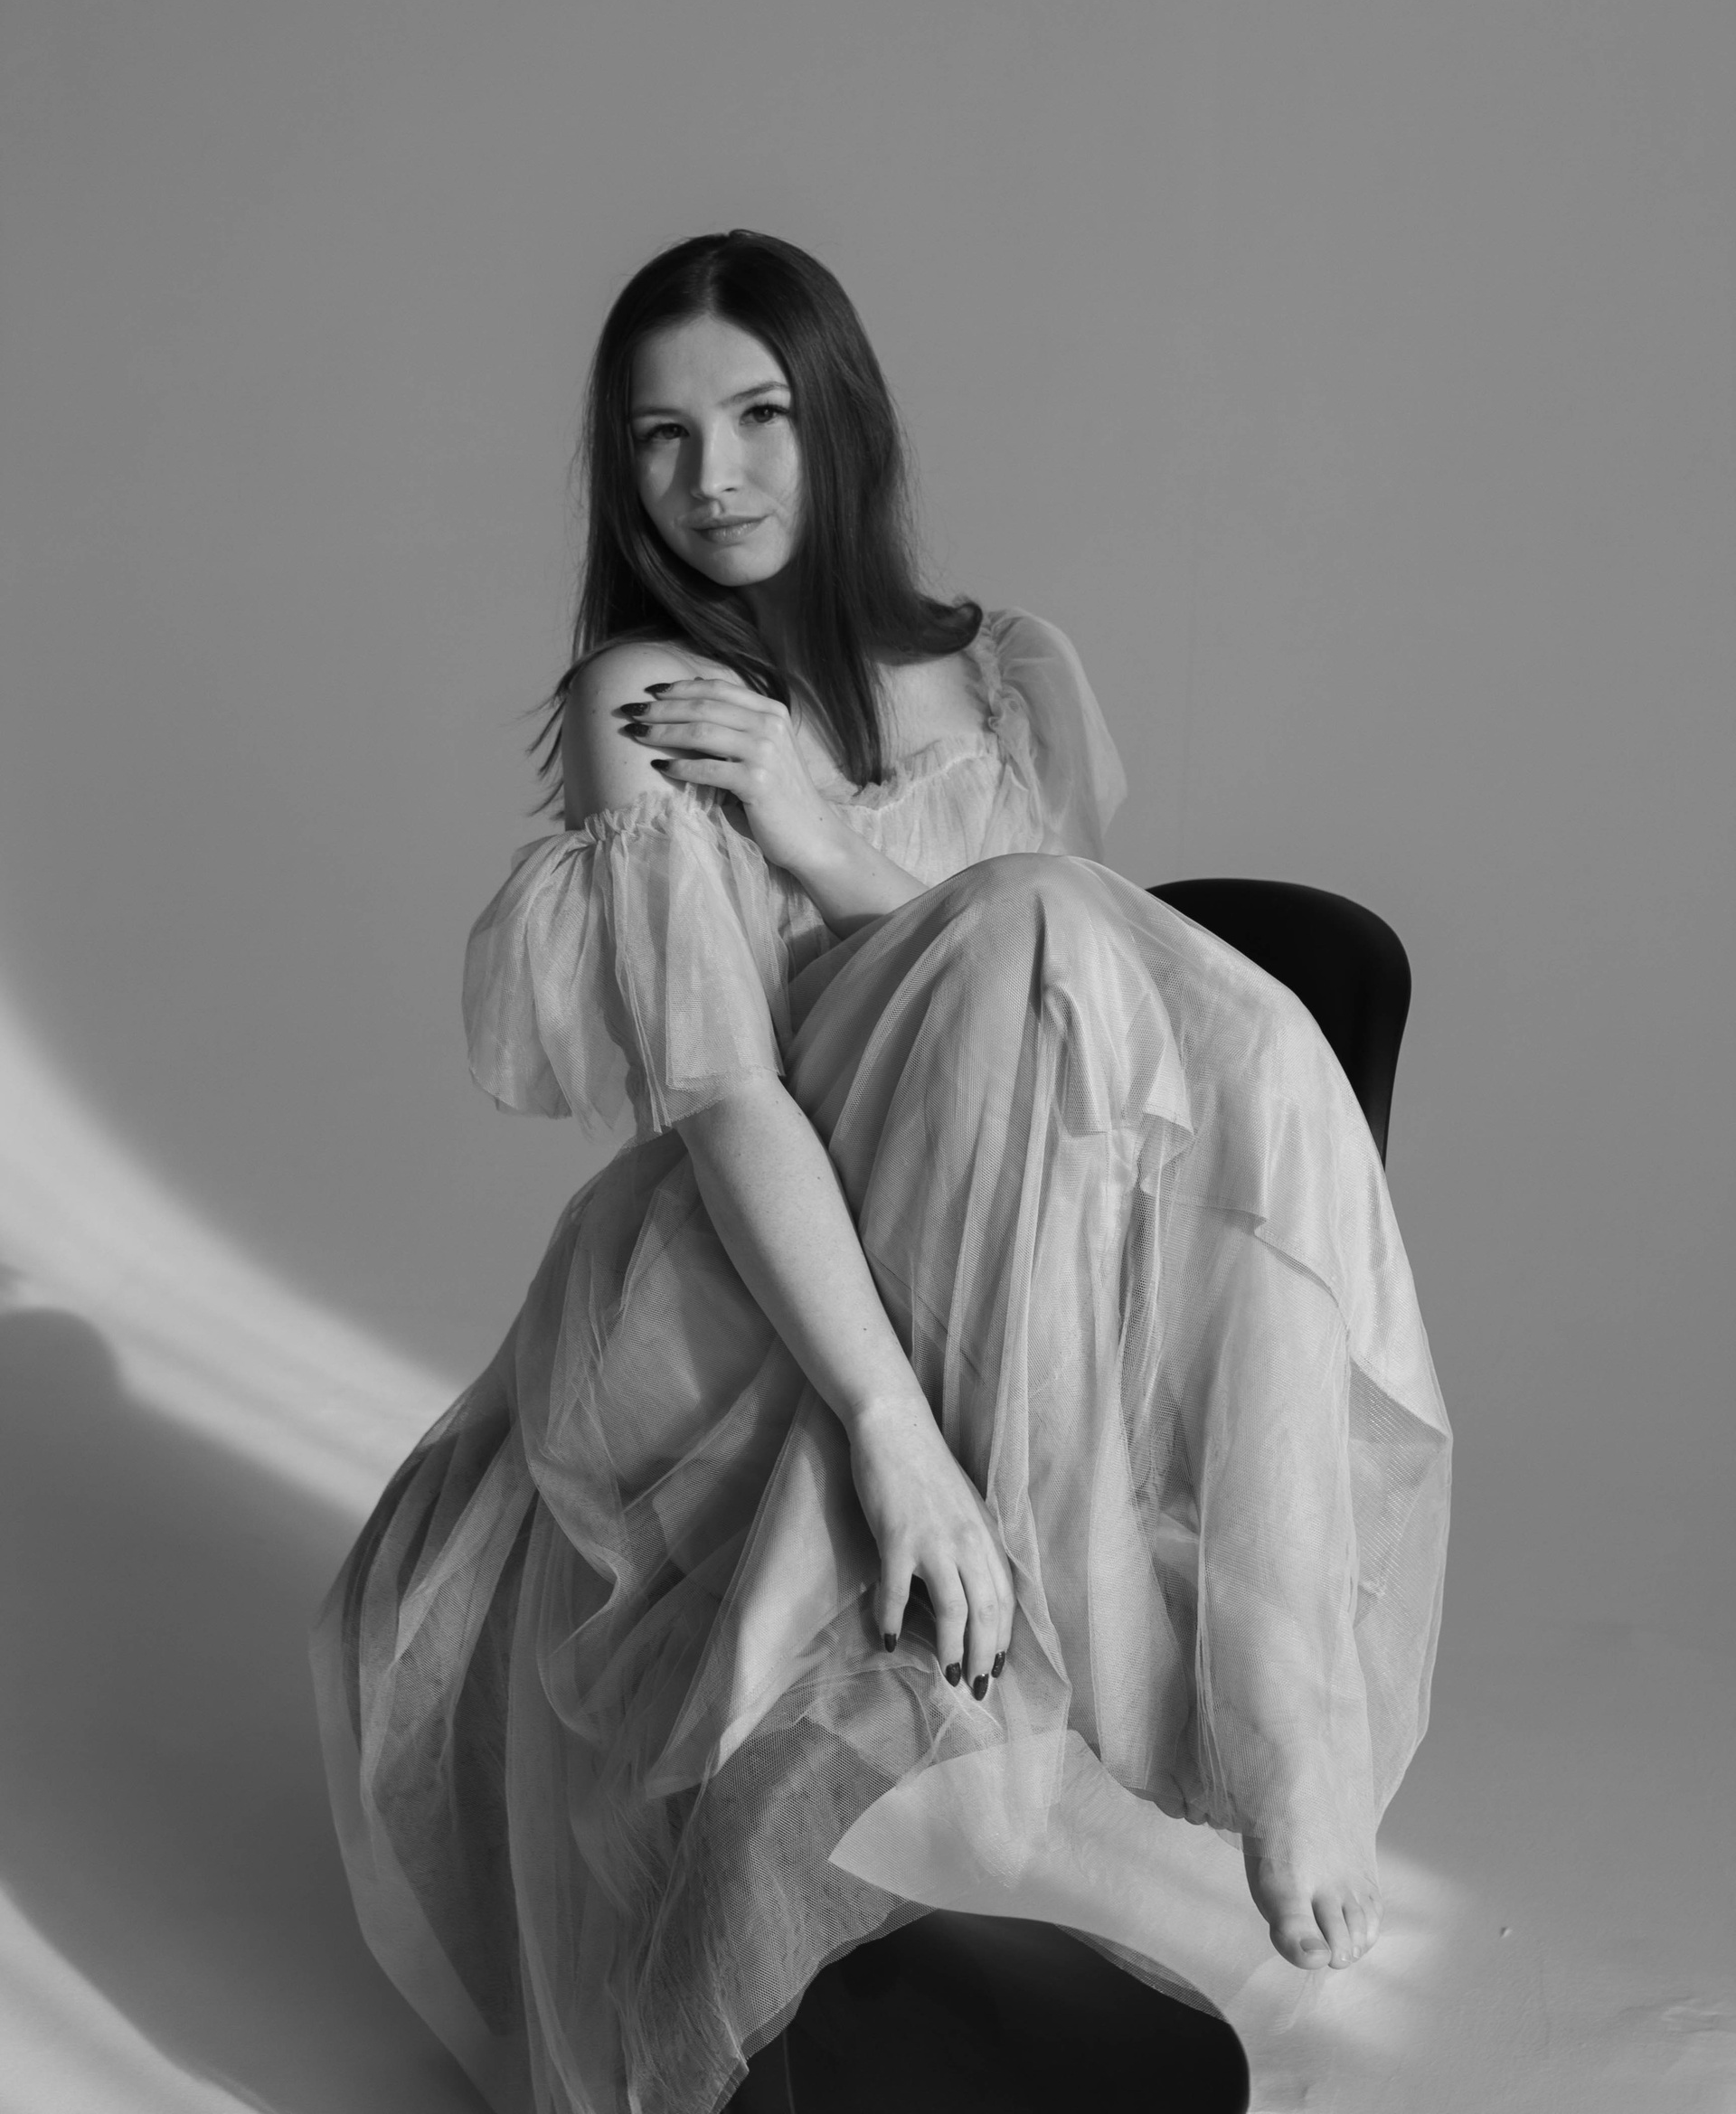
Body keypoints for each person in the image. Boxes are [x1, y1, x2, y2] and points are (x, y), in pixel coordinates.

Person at [310, 230, 1450, 2114]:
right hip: (752, 1279)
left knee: (1152, 964)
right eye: (661, 438)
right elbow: (726, 1091)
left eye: (757, 416)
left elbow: (1073, 1028)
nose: (713, 477)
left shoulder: (1005, 673)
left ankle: (1273, 1690)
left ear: (839, 420)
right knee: (1072, 936)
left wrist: (820, 833)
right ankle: (1232, 1691)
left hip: (1009, 1255)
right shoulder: (650, 694)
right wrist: (890, 1433)